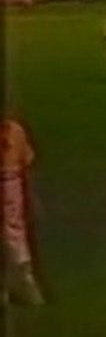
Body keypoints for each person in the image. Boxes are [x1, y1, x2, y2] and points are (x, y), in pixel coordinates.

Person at [2, 118, 44, 306]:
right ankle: (25, 281)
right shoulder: (14, 130)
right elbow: (27, 159)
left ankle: (9, 287)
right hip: (11, 182)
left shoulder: (14, 130)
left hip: (10, 180)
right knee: (15, 232)